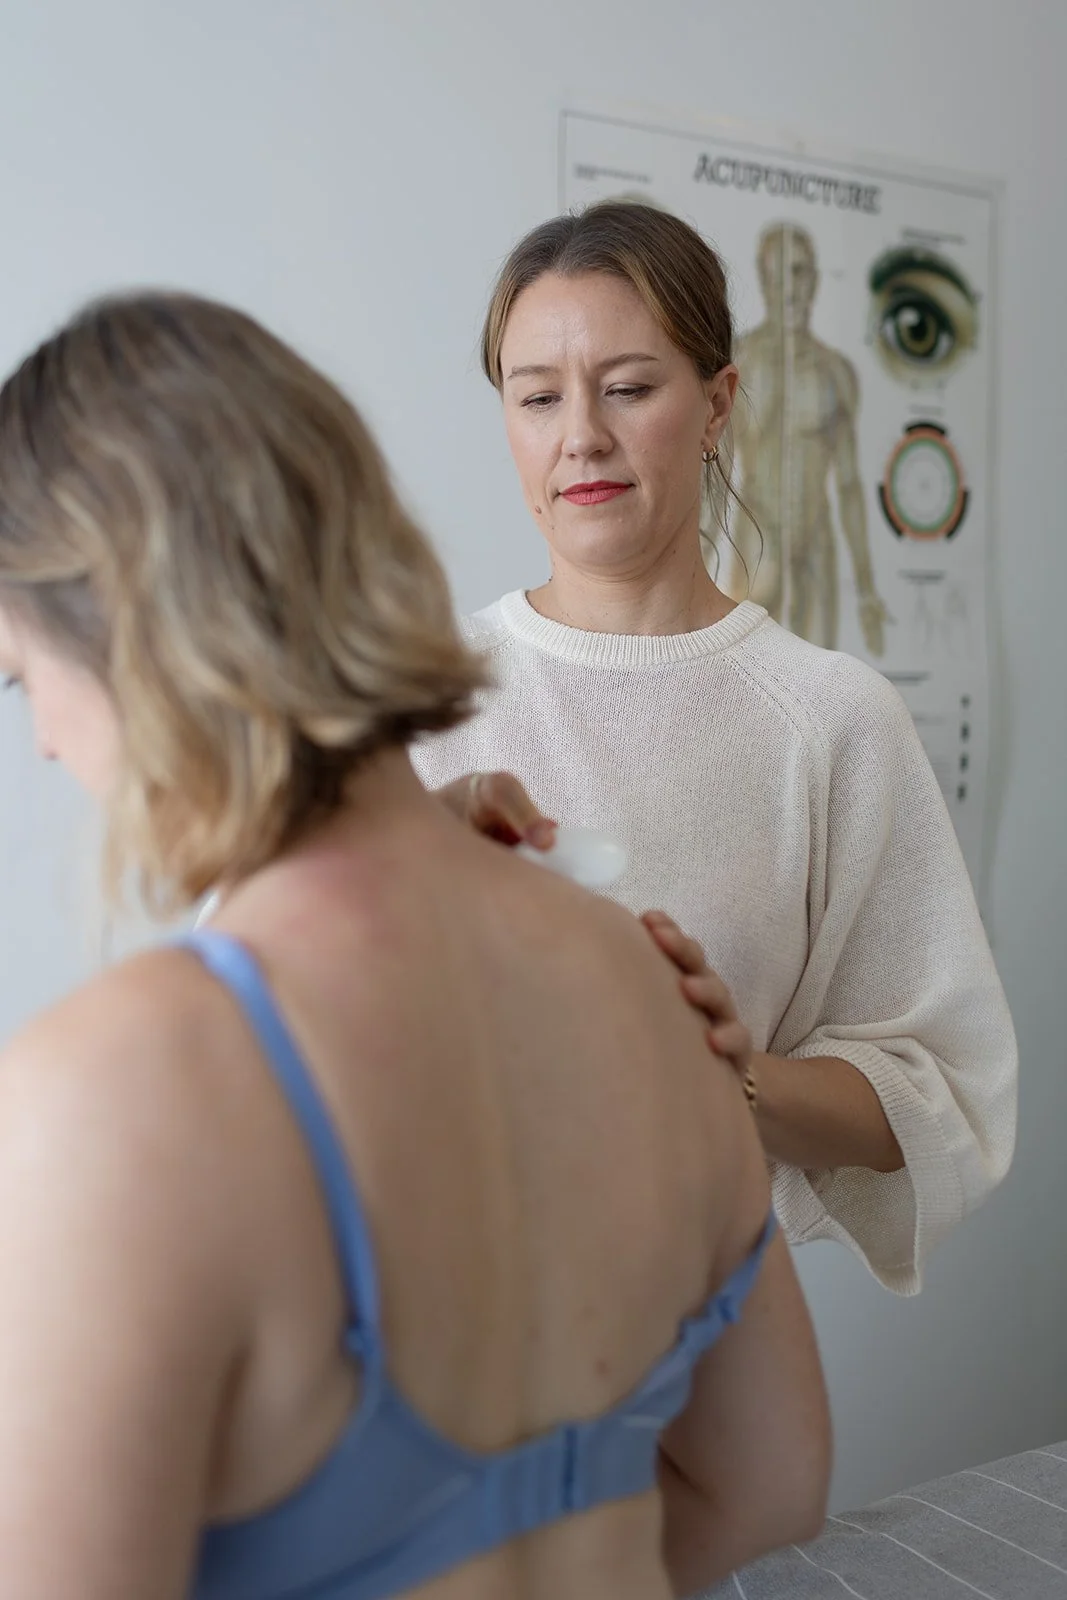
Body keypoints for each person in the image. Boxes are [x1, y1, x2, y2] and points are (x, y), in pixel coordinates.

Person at [0, 292, 829, 1599]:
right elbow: (771, 1479)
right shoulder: (650, 983)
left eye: (19, 677)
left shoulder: (113, 1094)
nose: (44, 737)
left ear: (122, 626)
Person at [412, 199, 1018, 1296]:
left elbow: (935, 1088)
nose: (579, 436)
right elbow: (259, 1008)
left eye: (629, 388)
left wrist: (726, 1072)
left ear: (717, 403)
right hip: (434, 1324)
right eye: (536, 396)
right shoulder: (414, 702)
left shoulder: (830, 717)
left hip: (696, 1328)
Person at [727, 222, 891, 656]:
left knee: (820, 692)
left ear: (815, 279)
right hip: (758, 532)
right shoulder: (736, 365)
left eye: (798, 272)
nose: (789, 288)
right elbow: (711, 469)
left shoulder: (835, 372)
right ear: (762, 281)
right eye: (776, 274)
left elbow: (851, 486)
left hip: (816, 536)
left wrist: (868, 590)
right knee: (743, 680)